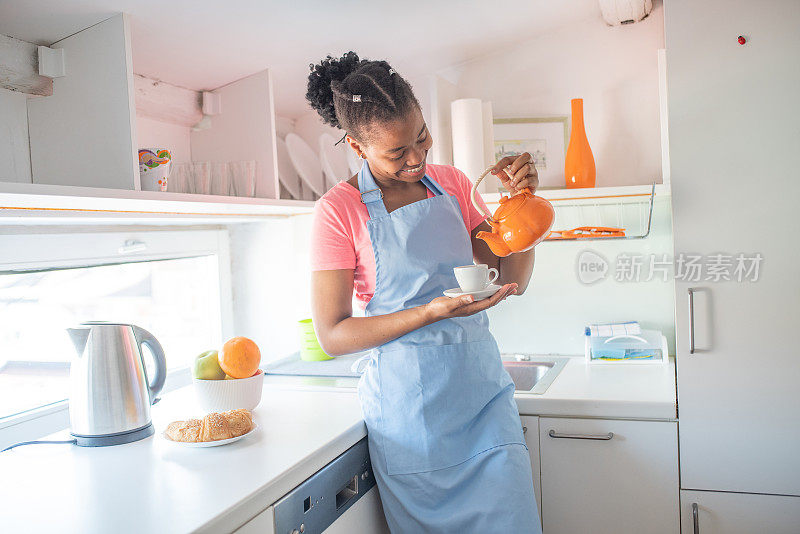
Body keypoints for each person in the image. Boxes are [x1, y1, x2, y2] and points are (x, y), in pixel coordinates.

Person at [307, 51, 542, 533]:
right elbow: (332, 334)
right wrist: (427, 313)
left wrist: (521, 205)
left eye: (421, 138)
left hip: (483, 401)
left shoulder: (453, 185)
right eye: (397, 153)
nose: (416, 158)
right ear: (356, 145)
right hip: (412, 420)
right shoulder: (338, 211)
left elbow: (510, 274)